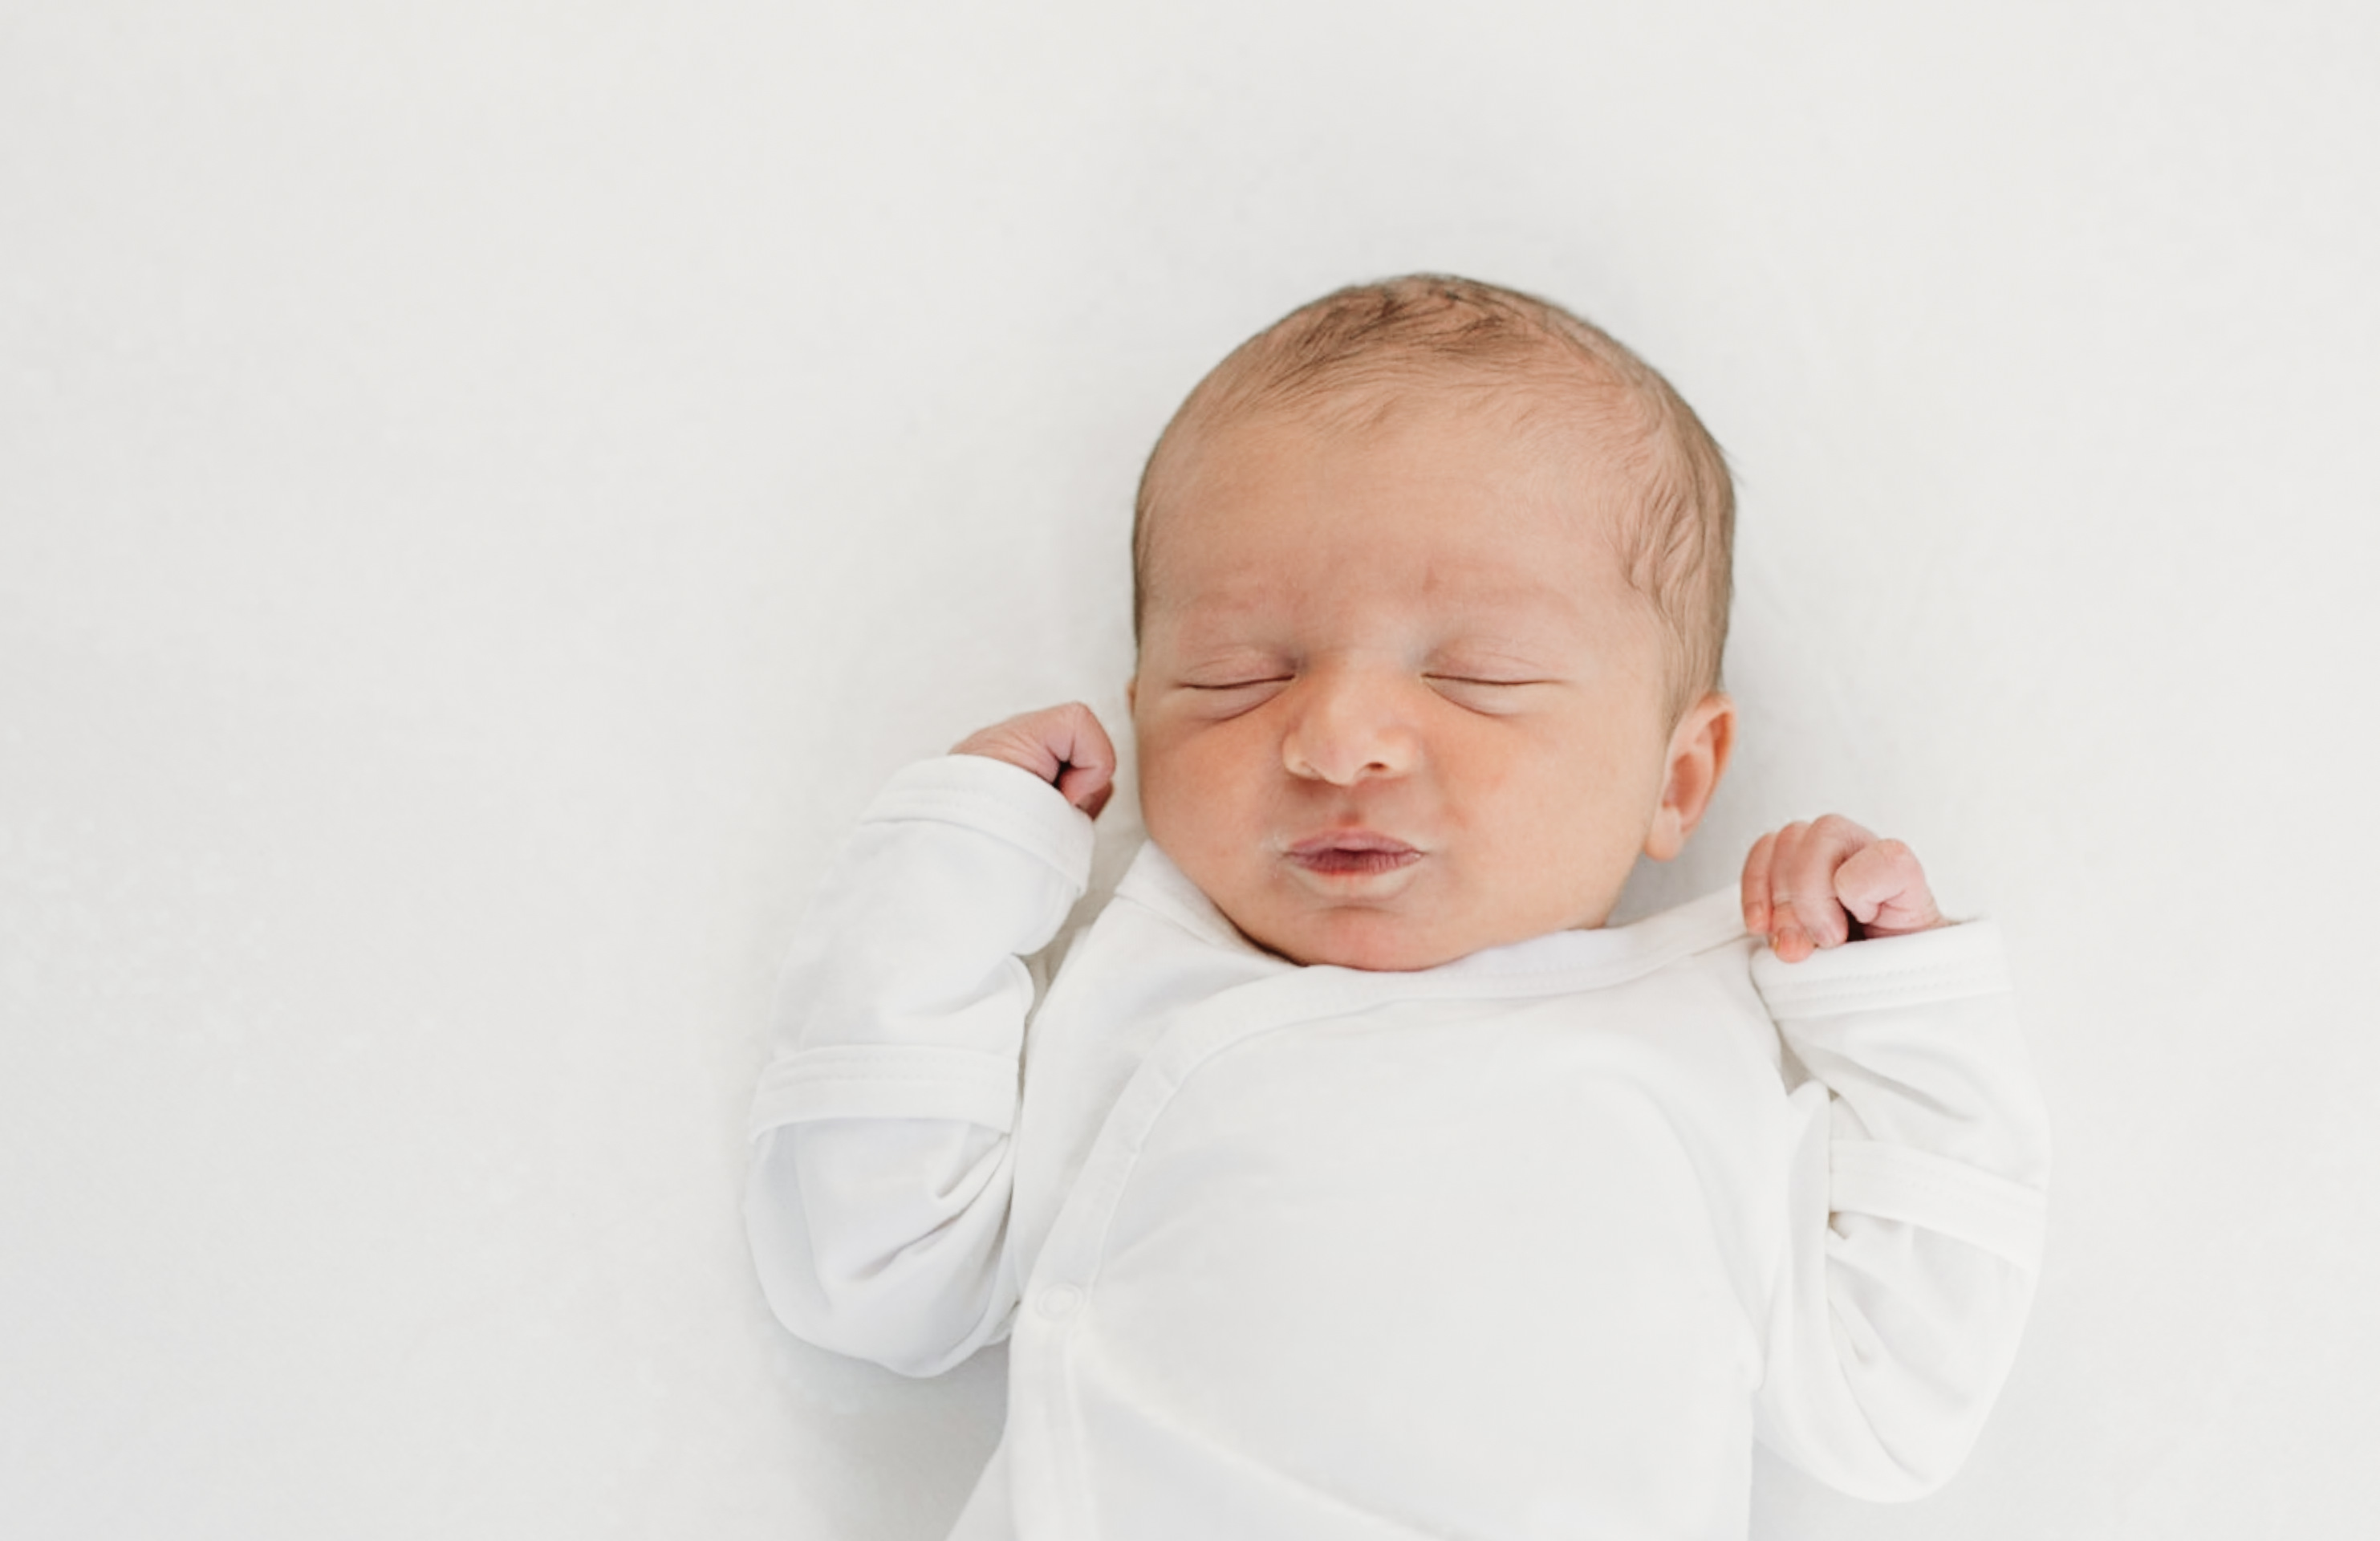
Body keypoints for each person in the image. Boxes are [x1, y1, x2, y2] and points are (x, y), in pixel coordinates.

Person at [744, 275, 2049, 1540]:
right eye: (1237, 677)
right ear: (1141, 714)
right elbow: (871, 1275)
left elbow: (1897, 1410)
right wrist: (960, 867)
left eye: (1476, 677)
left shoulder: (1694, 1046)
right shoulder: (1147, 992)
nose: (1339, 737)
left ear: (1678, 776)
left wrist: (1897, 1012)